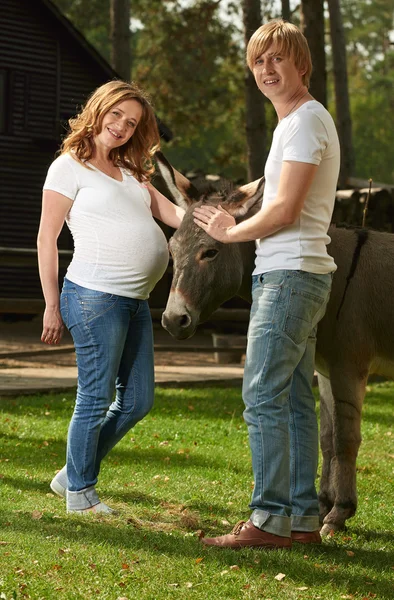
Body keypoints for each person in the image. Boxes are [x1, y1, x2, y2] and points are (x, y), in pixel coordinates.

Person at [193, 20, 340, 549]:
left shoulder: (302, 122)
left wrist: (230, 232)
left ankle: (269, 519)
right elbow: (276, 197)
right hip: (295, 274)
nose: (267, 69)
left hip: (290, 275)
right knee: (296, 399)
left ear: (302, 65)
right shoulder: (295, 125)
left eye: (278, 58)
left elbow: (283, 209)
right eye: (259, 61)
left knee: (262, 396)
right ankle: (302, 520)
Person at [37, 80, 184, 514]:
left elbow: (176, 216)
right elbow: (47, 238)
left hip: (135, 301)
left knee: (139, 399)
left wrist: (218, 218)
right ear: (99, 110)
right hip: (93, 297)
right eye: (116, 114)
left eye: (132, 122)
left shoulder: (134, 172)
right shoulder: (69, 167)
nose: (121, 126)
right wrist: (50, 303)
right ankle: (80, 493)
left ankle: (71, 473)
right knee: (95, 396)